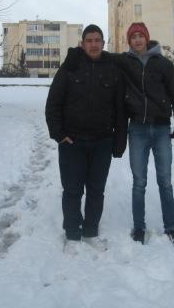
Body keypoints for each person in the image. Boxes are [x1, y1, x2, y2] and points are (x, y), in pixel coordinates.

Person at [45, 24, 127, 251]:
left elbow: (120, 109)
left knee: (96, 190)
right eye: (89, 40)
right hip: (73, 143)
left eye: (97, 40)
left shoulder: (113, 69)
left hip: (102, 142)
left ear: (103, 43)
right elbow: (53, 104)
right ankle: (72, 234)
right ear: (82, 44)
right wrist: (60, 135)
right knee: (72, 190)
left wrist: (119, 141)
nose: (93, 44)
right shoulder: (70, 68)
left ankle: (91, 231)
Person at [124, 22, 174, 248]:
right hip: (138, 129)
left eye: (141, 36)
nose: (137, 40)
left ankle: (170, 226)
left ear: (147, 38)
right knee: (139, 182)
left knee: (165, 181)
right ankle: (138, 227)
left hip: (161, 128)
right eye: (133, 37)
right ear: (129, 41)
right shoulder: (125, 63)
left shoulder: (163, 64)